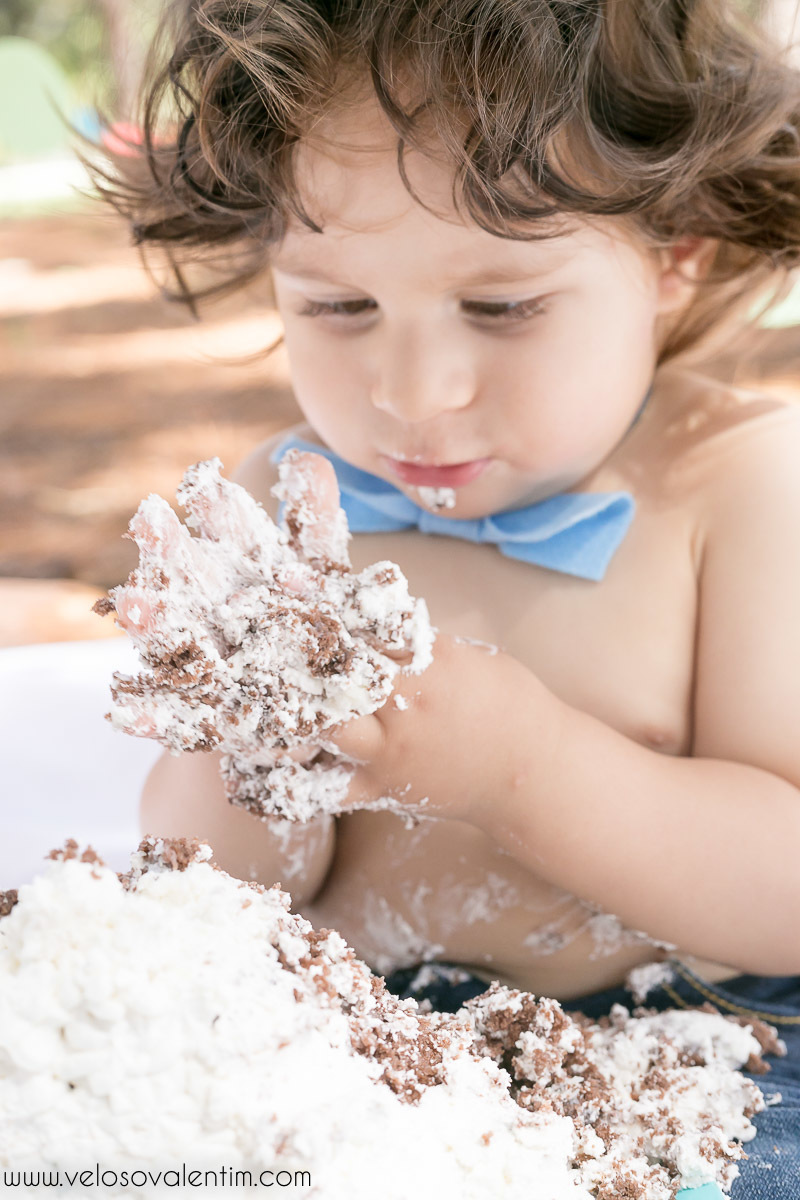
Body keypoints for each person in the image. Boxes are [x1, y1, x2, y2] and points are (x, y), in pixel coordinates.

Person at [94, 1, 800, 1192]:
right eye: (336, 307)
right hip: (338, 1052)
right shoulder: (278, 502)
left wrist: (520, 771)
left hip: (693, 1044)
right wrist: (240, 744)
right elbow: (204, 891)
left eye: (501, 306)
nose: (412, 393)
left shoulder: (737, 485)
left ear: (671, 252)